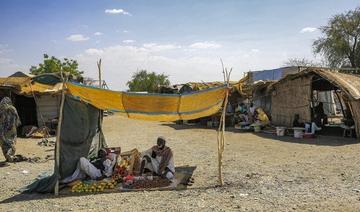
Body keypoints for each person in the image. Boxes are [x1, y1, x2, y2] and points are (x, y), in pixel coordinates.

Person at [0, 97, 21, 162]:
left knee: (4, 143)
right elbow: (17, 120)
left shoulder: (2, 109)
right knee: (11, 142)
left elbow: (1, 120)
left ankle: (7, 156)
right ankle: (10, 155)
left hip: (3, 130)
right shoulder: (13, 109)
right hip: (12, 129)